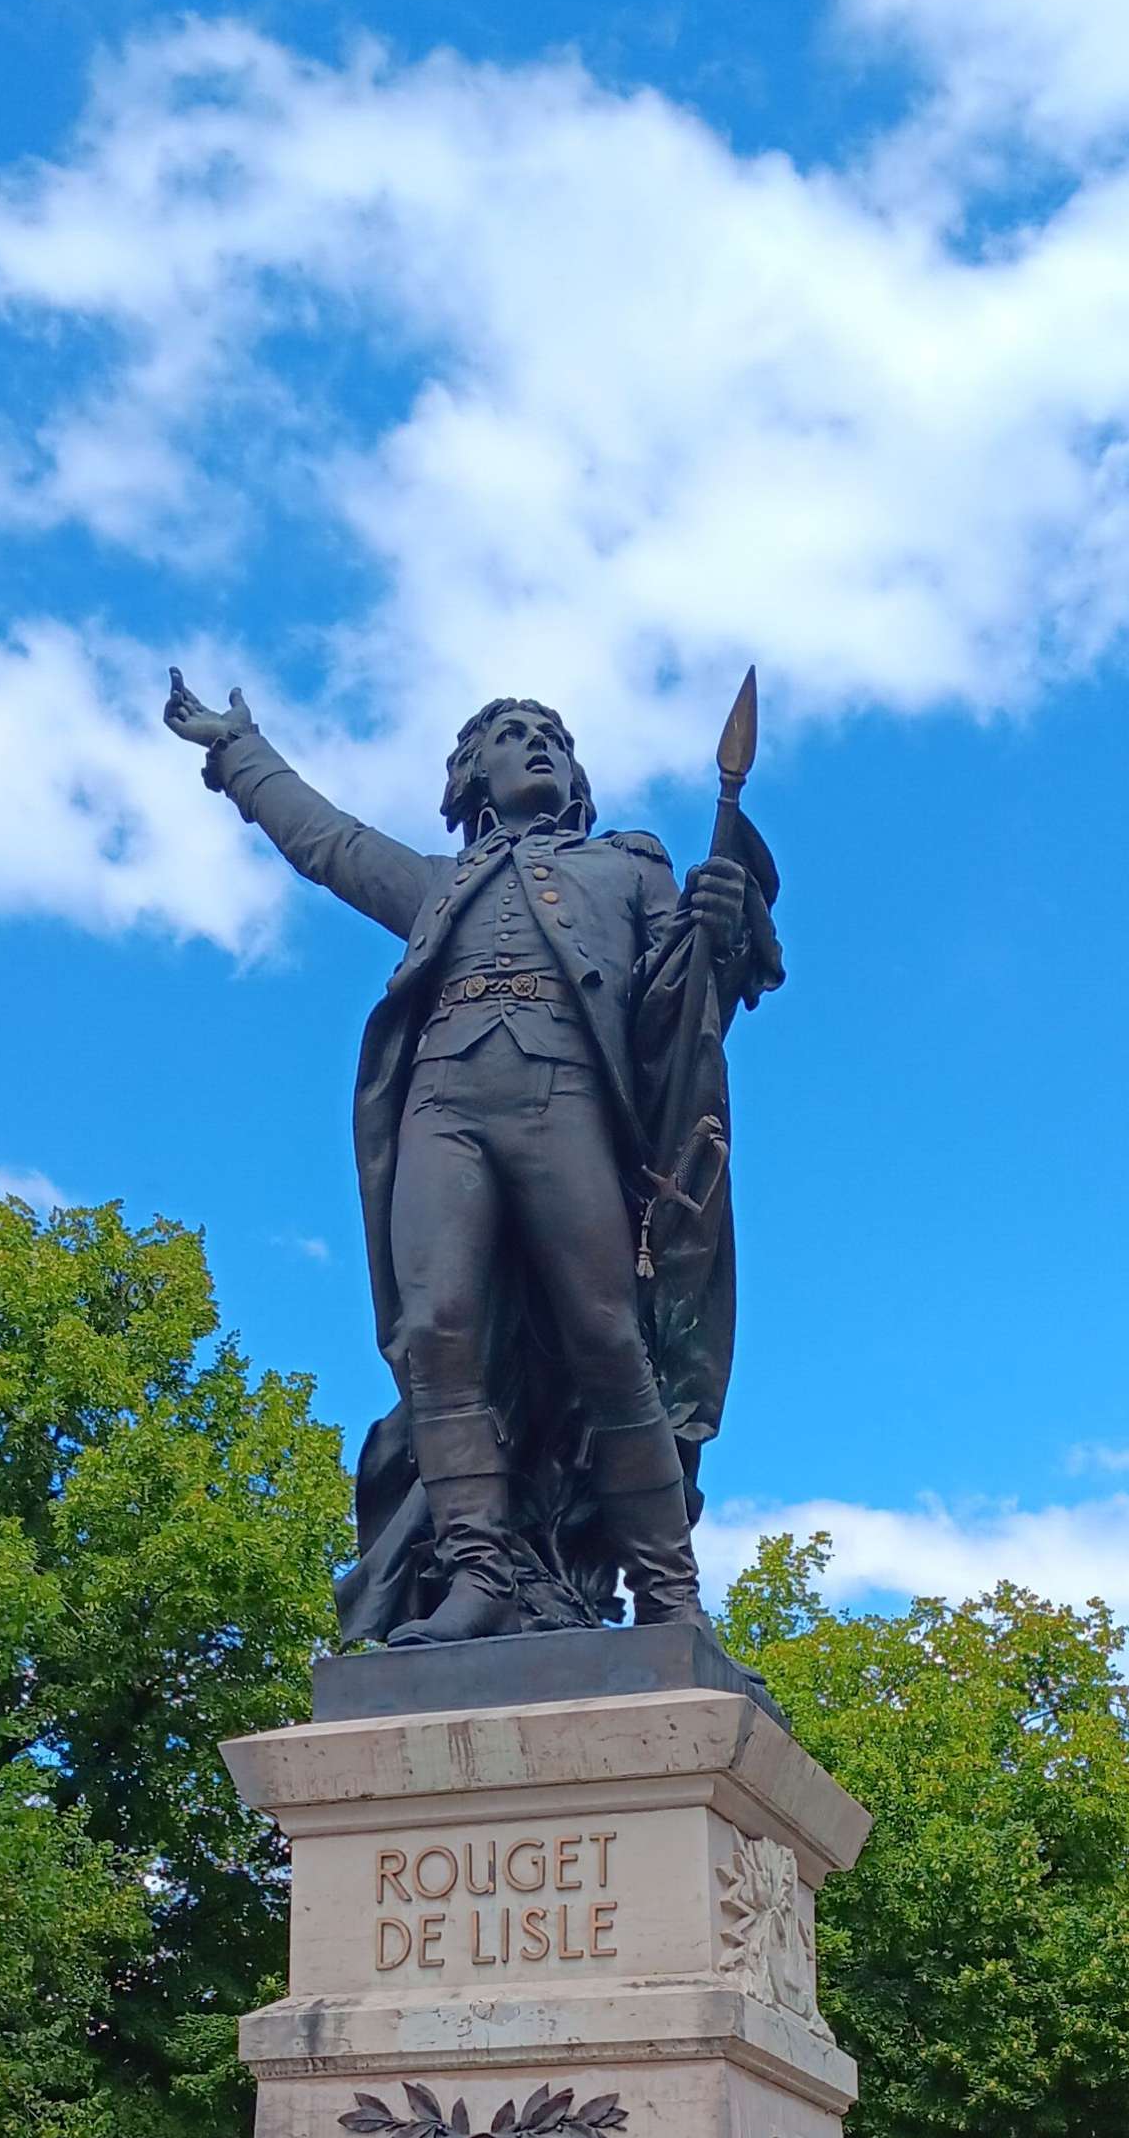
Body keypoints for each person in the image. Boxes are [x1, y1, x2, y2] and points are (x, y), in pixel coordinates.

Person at [164, 677, 781, 1644]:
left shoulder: (628, 867)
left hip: (565, 1097)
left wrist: (727, 919)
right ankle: (478, 1576)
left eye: (553, 738)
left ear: (575, 777)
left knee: (607, 1335)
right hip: (440, 1105)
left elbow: (684, 998)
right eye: (511, 735)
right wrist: (237, 750)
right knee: (437, 1334)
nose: (538, 745)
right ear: (470, 776)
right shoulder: (434, 886)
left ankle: (669, 1596)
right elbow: (326, 841)